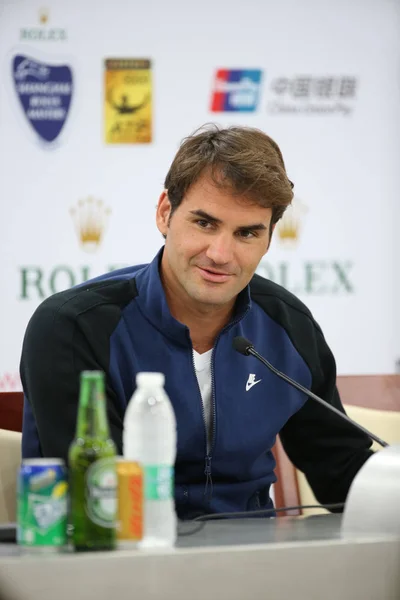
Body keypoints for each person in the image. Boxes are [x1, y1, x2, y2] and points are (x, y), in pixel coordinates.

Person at [20, 124, 372, 519]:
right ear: (165, 213)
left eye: (246, 233)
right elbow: (98, 495)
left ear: (269, 239)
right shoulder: (73, 327)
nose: (220, 253)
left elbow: (340, 468)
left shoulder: (287, 325)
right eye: (205, 223)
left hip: (254, 562)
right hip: (117, 562)